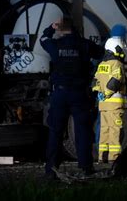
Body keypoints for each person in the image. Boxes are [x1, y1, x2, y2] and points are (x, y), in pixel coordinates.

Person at [40, 16, 104, 179]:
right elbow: (100, 52)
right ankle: (86, 168)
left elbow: (43, 38)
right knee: (83, 132)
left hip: (60, 94)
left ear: (59, 29)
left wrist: (50, 27)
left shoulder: (55, 45)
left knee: (55, 131)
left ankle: (51, 169)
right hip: (79, 94)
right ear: (74, 28)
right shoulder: (84, 45)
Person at [92, 37, 127, 163]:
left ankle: (102, 157)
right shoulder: (117, 64)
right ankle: (114, 157)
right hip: (114, 105)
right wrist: (107, 93)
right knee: (115, 130)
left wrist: (100, 93)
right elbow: (116, 80)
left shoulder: (102, 64)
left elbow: (95, 81)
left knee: (104, 130)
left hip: (103, 105)